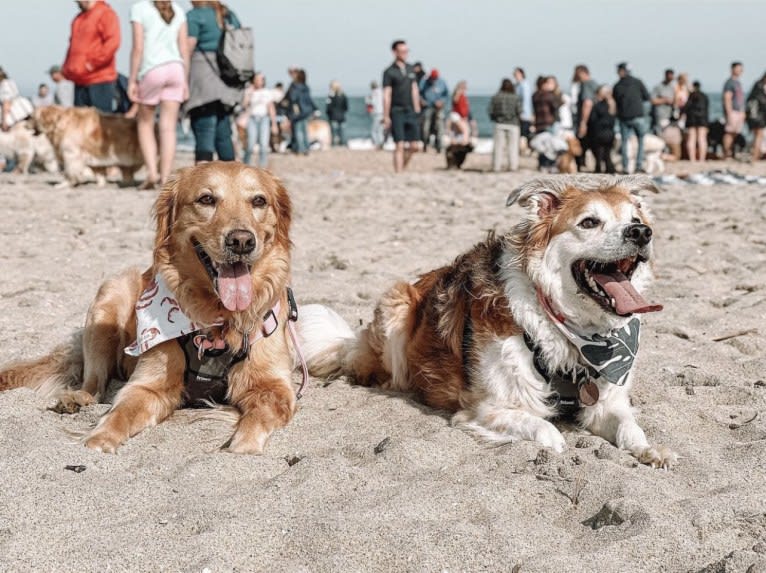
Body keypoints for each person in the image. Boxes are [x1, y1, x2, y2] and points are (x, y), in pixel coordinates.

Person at [128, 0, 188, 188]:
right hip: (176, 69)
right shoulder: (178, 10)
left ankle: (152, 173)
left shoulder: (139, 9)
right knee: (168, 127)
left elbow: (138, 48)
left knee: (145, 123)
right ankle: (165, 177)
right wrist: (185, 80)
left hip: (152, 69)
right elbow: (184, 48)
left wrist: (132, 79)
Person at [185, 1, 243, 163]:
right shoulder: (228, 15)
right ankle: (232, 175)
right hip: (228, 79)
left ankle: (202, 175)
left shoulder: (194, 16)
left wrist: (183, 79)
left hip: (203, 76)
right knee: (223, 130)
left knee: (204, 127)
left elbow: (188, 47)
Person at [62, 1, 121, 113]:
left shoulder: (106, 14)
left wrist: (92, 64)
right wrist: (67, 68)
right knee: (79, 125)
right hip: (79, 81)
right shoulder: (78, 19)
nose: (77, 3)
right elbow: (72, 46)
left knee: (100, 123)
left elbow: (113, 43)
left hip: (100, 80)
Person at [382, 40, 421, 173]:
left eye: (406, 51)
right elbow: (387, 94)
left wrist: (417, 109)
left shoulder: (411, 69)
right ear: (395, 52)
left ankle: (402, 166)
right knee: (399, 144)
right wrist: (386, 115)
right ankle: (398, 173)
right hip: (396, 110)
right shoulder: (389, 72)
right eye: (402, 51)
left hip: (410, 110)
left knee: (415, 146)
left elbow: (414, 90)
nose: (405, 54)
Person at [613, 62, 650, 173]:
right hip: (637, 116)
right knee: (640, 141)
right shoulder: (637, 82)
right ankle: (638, 166)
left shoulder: (617, 85)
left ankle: (625, 167)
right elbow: (646, 97)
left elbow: (615, 101)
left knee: (625, 143)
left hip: (624, 117)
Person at [239, 72, 277, 166]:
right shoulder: (249, 91)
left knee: (264, 145)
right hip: (252, 119)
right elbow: (244, 105)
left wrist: (274, 124)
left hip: (264, 119)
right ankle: (245, 165)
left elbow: (271, 108)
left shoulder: (267, 92)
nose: (259, 81)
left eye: (261, 79)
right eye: (257, 79)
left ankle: (262, 167)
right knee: (250, 144)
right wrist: (249, 94)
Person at [487, 78, 521, 172]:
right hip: (513, 124)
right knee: (513, 147)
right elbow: (519, 111)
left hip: (499, 123)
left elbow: (490, 110)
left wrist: (495, 118)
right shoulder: (515, 97)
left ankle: (496, 167)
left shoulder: (496, 97)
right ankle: (513, 166)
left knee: (498, 147)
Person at [283, 68, 315, 155]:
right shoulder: (306, 86)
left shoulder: (295, 86)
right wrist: (313, 109)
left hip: (298, 112)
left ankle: (300, 149)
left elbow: (293, 98)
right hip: (306, 111)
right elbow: (309, 100)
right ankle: (306, 148)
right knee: (304, 130)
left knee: (298, 131)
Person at [532, 76, 560, 170]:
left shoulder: (535, 95)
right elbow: (556, 107)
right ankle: (551, 164)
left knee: (542, 145)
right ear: (543, 84)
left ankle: (542, 164)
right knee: (550, 145)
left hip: (538, 123)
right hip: (548, 123)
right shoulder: (548, 95)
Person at [587, 85, 617, 174]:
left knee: (599, 153)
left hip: (599, 133)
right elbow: (613, 120)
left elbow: (592, 120)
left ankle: (598, 168)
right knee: (607, 153)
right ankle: (609, 169)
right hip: (610, 133)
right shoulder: (613, 106)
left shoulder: (597, 106)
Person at [573, 65, 598, 171]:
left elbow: (587, 103)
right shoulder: (594, 84)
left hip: (587, 119)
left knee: (582, 143)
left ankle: (580, 165)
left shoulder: (586, 85)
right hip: (595, 120)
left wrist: (583, 122)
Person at [419, 69, 449, 152]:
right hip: (427, 107)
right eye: (432, 78)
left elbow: (446, 95)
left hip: (438, 108)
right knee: (426, 126)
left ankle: (438, 146)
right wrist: (421, 100)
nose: (433, 80)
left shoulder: (442, 82)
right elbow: (418, 93)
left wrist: (442, 102)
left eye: (435, 78)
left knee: (439, 127)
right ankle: (425, 144)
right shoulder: (424, 82)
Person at [681, 81, 709, 162]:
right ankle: (702, 159)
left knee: (691, 139)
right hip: (703, 119)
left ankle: (692, 159)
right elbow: (707, 109)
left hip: (691, 119)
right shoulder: (704, 96)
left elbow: (686, 108)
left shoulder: (691, 96)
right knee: (702, 139)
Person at [722, 61, 745, 158]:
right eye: (738, 68)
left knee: (735, 133)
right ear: (732, 69)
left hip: (739, 111)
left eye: (741, 69)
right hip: (733, 111)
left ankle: (730, 152)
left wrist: (743, 112)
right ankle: (726, 153)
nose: (740, 71)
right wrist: (729, 113)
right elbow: (727, 98)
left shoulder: (738, 83)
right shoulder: (729, 82)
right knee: (729, 132)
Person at [0, 67, 34, 132]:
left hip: (15, 114)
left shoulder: (4, 85)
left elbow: (6, 102)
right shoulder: (9, 82)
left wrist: (5, 121)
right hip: (23, 109)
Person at [746, 72, 766, 161]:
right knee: (759, 136)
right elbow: (762, 102)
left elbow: (749, 100)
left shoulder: (757, 85)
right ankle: (755, 156)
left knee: (757, 136)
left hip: (753, 115)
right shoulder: (761, 86)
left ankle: (756, 154)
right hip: (759, 116)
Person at [650, 69, 675, 134]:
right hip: (659, 115)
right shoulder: (658, 87)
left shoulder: (672, 87)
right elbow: (652, 100)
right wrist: (665, 100)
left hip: (669, 115)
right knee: (659, 133)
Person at [326, 80, 348, 147]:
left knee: (334, 133)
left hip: (333, 117)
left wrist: (329, 114)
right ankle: (343, 144)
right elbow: (346, 107)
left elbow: (328, 108)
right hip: (342, 116)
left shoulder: (331, 96)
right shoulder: (343, 95)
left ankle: (334, 145)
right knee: (342, 133)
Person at [513, 67, 533, 142]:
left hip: (524, 115)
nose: (515, 76)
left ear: (522, 74)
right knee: (522, 134)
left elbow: (526, 100)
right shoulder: (518, 85)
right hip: (520, 114)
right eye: (515, 74)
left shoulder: (524, 85)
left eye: (517, 74)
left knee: (524, 135)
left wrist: (522, 113)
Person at [365, 80, 384, 148]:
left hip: (376, 113)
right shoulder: (382, 92)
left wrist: (367, 100)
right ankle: (381, 142)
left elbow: (370, 103)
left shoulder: (373, 93)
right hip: (383, 112)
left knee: (374, 130)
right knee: (380, 129)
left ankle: (377, 143)